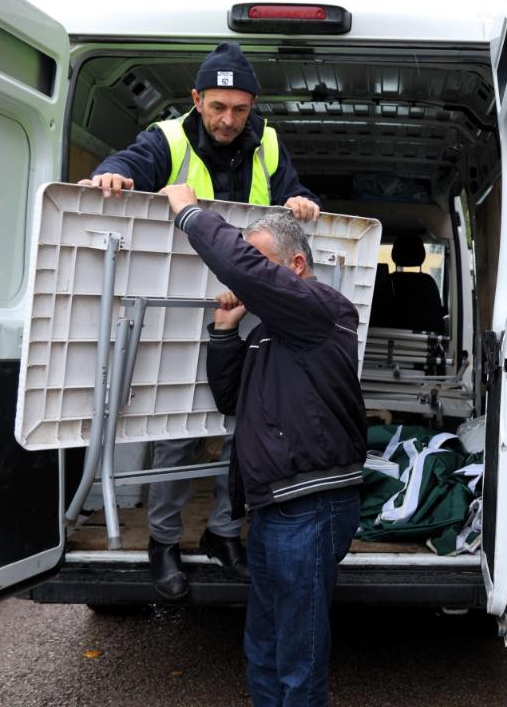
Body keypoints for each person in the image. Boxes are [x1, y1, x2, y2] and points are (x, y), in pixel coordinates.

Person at [79, 42, 321, 599]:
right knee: (177, 431)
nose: (229, 120)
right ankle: (163, 542)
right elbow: (129, 162)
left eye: (239, 109)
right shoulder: (168, 137)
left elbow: (292, 197)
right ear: (197, 100)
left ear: (252, 105)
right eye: (218, 108)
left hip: (248, 308)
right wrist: (112, 175)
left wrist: (304, 201)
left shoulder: (269, 142)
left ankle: (223, 533)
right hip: (174, 312)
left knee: (245, 429)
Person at [163, 185, 365, 707]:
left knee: (299, 655)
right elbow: (231, 400)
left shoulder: (324, 310)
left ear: (295, 265)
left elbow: (245, 270)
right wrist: (225, 333)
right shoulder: (269, 331)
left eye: (261, 264)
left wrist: (191, 214)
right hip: (274, 508)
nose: (246, 278)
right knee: (264, 645)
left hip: (311, 507)